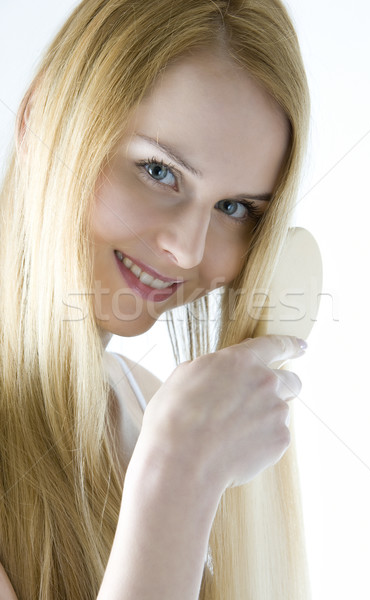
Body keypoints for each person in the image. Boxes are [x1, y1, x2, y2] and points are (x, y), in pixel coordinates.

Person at [0, 0, 311, 598]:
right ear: (41, 120)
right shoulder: (179, 443)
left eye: (234, 208)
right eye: (160, 172)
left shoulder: (147, 405)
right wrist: (178, 475)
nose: (188, 250)